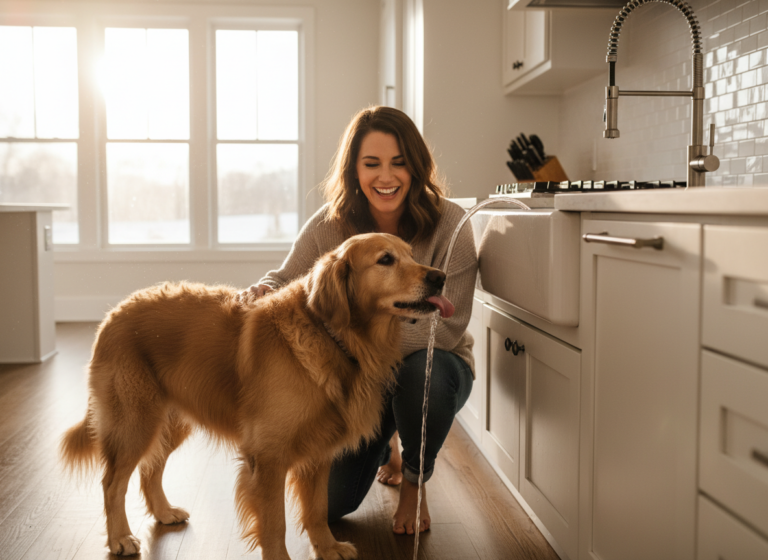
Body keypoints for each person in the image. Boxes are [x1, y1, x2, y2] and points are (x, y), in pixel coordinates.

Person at [242, 106, 477, 535]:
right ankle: (384, 442)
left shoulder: (452, 225)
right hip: (355, 380)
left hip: (429, 368)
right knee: (329, 506)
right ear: (354, 170)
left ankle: (413, 484)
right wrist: (261, 289)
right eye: (371, 164)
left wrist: (363, 342)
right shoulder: (329, 225)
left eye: (399, 163)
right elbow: (286, 277)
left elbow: (446, 329)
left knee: (425, 371)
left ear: (417, 167)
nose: (385, 176)